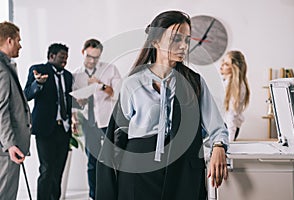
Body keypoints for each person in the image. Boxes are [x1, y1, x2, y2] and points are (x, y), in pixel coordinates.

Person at [96, 10, 229, 200]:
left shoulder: (194, 82)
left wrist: (219, 147)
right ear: (155, 41)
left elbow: (217, 127)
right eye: (176, 39)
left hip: (182, 171)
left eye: (187, 40)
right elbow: (116, 138)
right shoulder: (133, 83)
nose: (183, 46)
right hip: (137, 171)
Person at [72, 38, 121, 200]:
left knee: (110, 159)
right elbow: (75, 103)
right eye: (89, 57)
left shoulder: (110, 69)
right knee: (92, 161)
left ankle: (113, 194)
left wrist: (100, 85)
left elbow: (117, 94)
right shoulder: (76, 75)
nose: (92, 61)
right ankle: (94, 196)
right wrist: (80, 103)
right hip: (89, 123)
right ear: (83, 52)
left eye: (96, 57)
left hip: (107, 121)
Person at [24, 43, 73, 200]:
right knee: (46, 169)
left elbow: (67, 99)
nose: (65, 61)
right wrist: (38, 84)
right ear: (51, 56)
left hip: (63, 129)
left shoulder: (68, 76)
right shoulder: (38, 70)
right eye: (61, 57)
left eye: (66, 58)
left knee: (58, 171)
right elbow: (27, 94)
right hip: (45, 129)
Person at [0, 21, 31, 200]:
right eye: (18, 41)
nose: (20, 45)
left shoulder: (6, 66)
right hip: (5, 149)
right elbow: (1, 110)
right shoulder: (2, 69)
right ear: (9, 41)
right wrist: (10, 144)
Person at [220, 50, 250, 141]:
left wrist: (230, 141)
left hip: (228, 129)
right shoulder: (226, 82)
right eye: (222, 62)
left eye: (226, 64)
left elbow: (231, 114)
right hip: (225, 127)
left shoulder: (236, 87)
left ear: (234, 68)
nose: (221, 66)